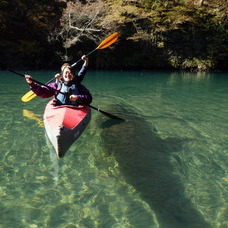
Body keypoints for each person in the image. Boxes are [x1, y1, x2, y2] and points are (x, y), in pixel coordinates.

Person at [25, 55, 92, 106]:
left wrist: (77, 97)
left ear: (73, 75)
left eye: (70, 73)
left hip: (75, 108)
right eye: (65, 73)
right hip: (60, 109)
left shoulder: (78, 84)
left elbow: (89, 98)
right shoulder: (57, 85)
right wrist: (31, 83)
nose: (68, 75)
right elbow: (42, 92)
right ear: (62, 75)